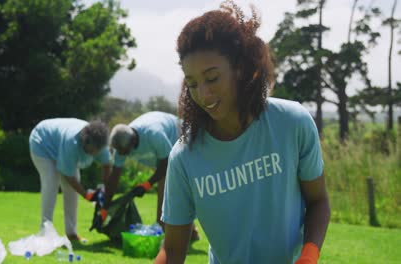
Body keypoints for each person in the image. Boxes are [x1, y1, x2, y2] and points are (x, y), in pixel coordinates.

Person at [155, 1, 331, 264]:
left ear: (240, 68)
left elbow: (318, 202)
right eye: (192, 84)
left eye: (212, 78)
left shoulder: (293, 123)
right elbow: (173, 250)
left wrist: (309, 255)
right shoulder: (184, 157)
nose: (203, 94)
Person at [104, 111, 200, 241]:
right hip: (165, 157)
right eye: (119, 151)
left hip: (183, 140)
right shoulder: (122, 144)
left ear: (133, 141)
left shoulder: (154, 134)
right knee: (167, 193)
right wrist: (104, 209)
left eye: (124, 151)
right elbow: (114, 177)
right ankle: (191, 233)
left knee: (164, 206)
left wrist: (146, 184)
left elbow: (167, 164)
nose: (121, 154)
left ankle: (170, 238)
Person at [29, 118, 111, 242]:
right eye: (92, 150)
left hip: (58, 143)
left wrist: (105, 190)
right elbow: (68, 175)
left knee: (71, 191)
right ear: (85, 141)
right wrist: (85, 194)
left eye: (97, 151)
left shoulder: (100, 143)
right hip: (42, 142)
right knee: (51, 183)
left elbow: (106, 165)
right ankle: (45, 233)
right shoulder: (71, 142)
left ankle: (71, 234)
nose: (94, 154)